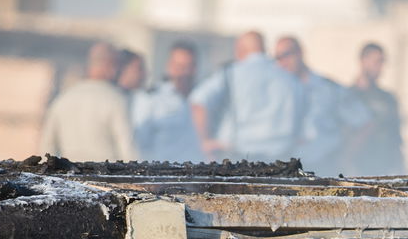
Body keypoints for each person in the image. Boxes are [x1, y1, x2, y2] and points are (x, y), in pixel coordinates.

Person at [189, 31, 302, 162]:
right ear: (264, 48)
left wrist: (205, 141)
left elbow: (198, 101)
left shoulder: (230, 73)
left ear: (240, 49)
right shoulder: (291, 79)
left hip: (238, 158)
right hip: (281, 159)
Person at [272, 35, 372, 177]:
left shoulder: (327, 88)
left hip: (323, 165)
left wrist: (346, 156)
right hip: (287, 168)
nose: (282, 62)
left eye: (286, 54)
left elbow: (364, 122)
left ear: (300, 53)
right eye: (277, 57)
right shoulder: (275, 92)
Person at [39, 42, 137, 162]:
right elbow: (128, 149)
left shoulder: (63, 98)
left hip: (71, 171)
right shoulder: (115, 99)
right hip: (107, 172)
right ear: (110, 65)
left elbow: (47, 147)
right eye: (118, 65)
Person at [131, 42, 202, 163]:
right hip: (163, 171)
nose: (184, 72)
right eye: (178, 66)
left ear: (195, 68)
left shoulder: (205, 99)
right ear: (169, 66)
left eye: (188, 66)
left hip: (199, 171)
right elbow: (139, 143)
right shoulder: (150, 98)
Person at [347, 42, 404, 176]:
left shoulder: (388, 99)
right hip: (355, 170)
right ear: (363, 61)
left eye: (382, 62)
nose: (380, 67)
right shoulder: (348, 97)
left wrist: (400, 167)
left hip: (383, 169)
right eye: (376, 62)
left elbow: (396, 138)